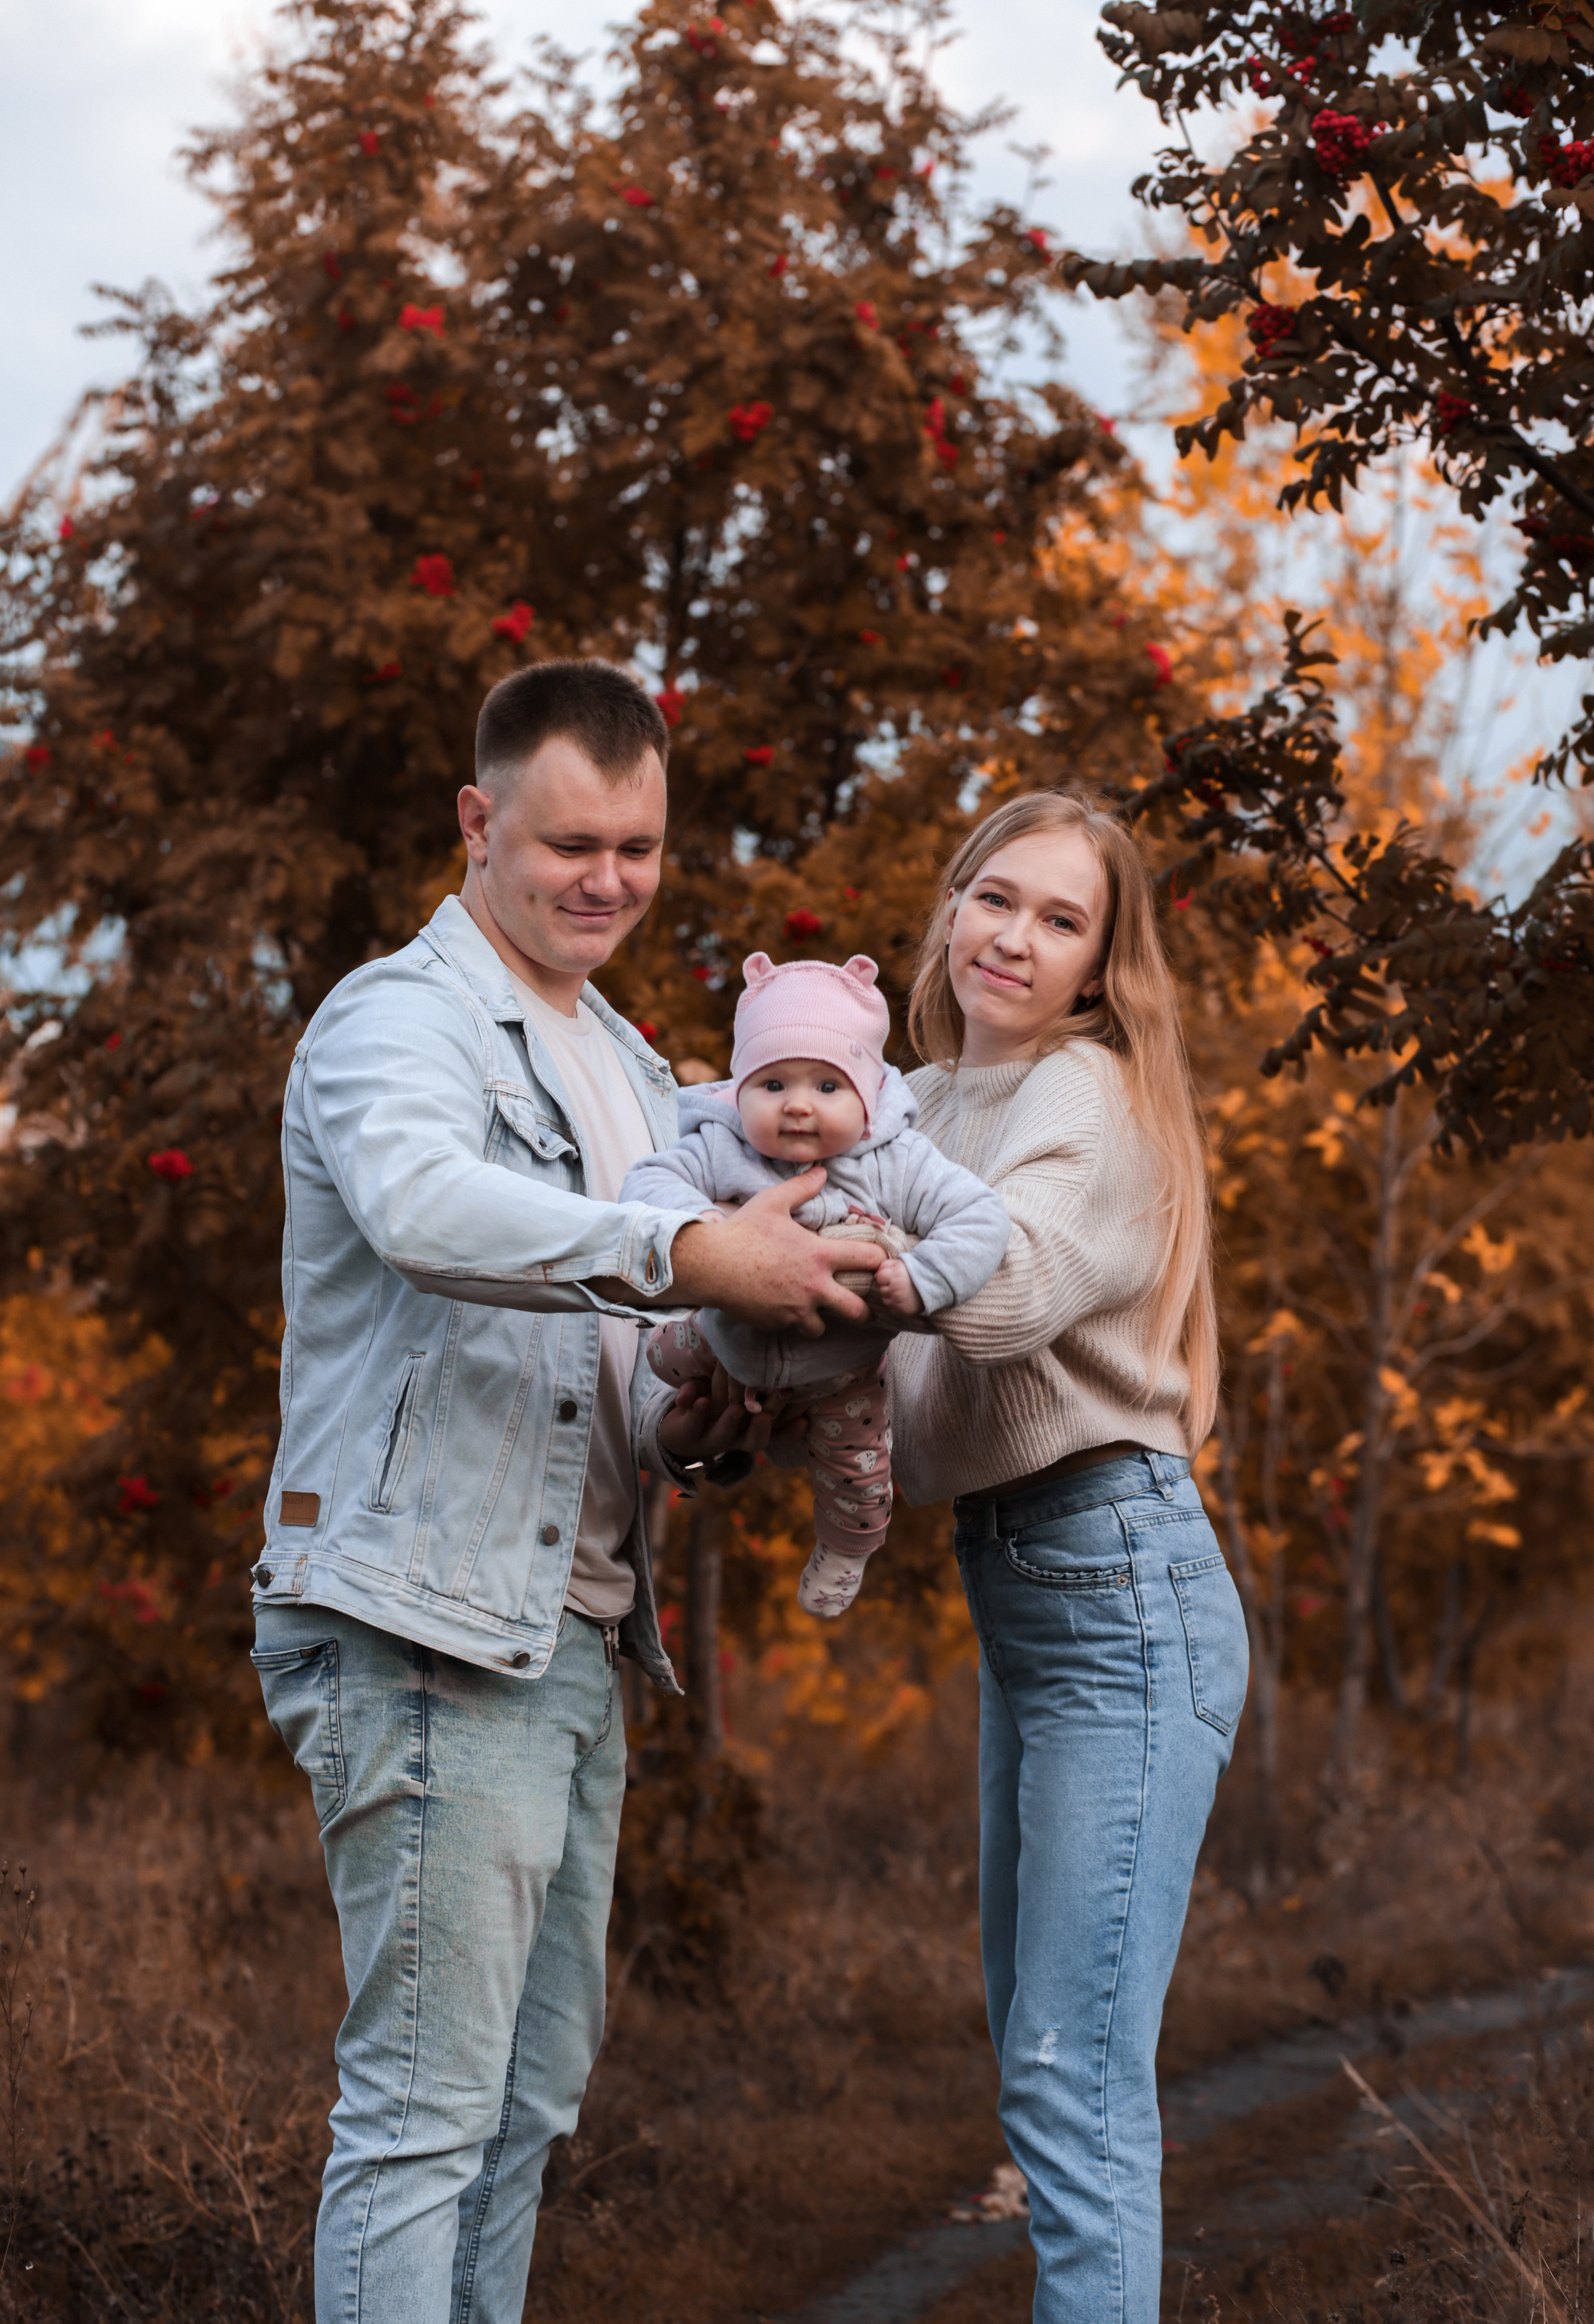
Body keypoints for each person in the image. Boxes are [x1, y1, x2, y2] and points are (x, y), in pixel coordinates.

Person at [248, 658, 885, 2324]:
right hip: (430, 1628)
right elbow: (422, 1207)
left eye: (642, 847)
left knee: (524, 2114)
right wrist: (686, 1243)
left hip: (577, 1639)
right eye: (569, 843)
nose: (608, 878)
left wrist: (710, 1406)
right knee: (422, 2123)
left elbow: (617, 1369)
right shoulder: (402, 1018)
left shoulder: (630, 1060)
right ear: (478, 821)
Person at [890, 788, 1249, 2324]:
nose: (1013, 939)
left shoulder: (1082, 1095)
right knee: (1036, 2051)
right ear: (949, 908)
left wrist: (830, 1221)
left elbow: (996, 1297)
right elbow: (882, 1380)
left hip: (1120, 1591)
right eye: (994, 897)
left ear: (1102, 970)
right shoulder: (909, 1100)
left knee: (1069, 2075)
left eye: (1060, 920)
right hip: (1031, 1590)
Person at [620, 948, 1009, 1615]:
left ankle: (846, 1548)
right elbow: (647, 1184)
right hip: (723, 1338)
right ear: (738, 1090)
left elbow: (980, 1219)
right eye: (773, 1086)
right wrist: (710, 1233)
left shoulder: (897, 1161)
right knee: (652, 1357)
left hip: (841, 1371)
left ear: (866, 1097)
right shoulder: (721, 1146)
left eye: (826, 1087)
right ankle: (687, 1438)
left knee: (859, 1473)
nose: (798, 1106)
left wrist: (922, 1280)